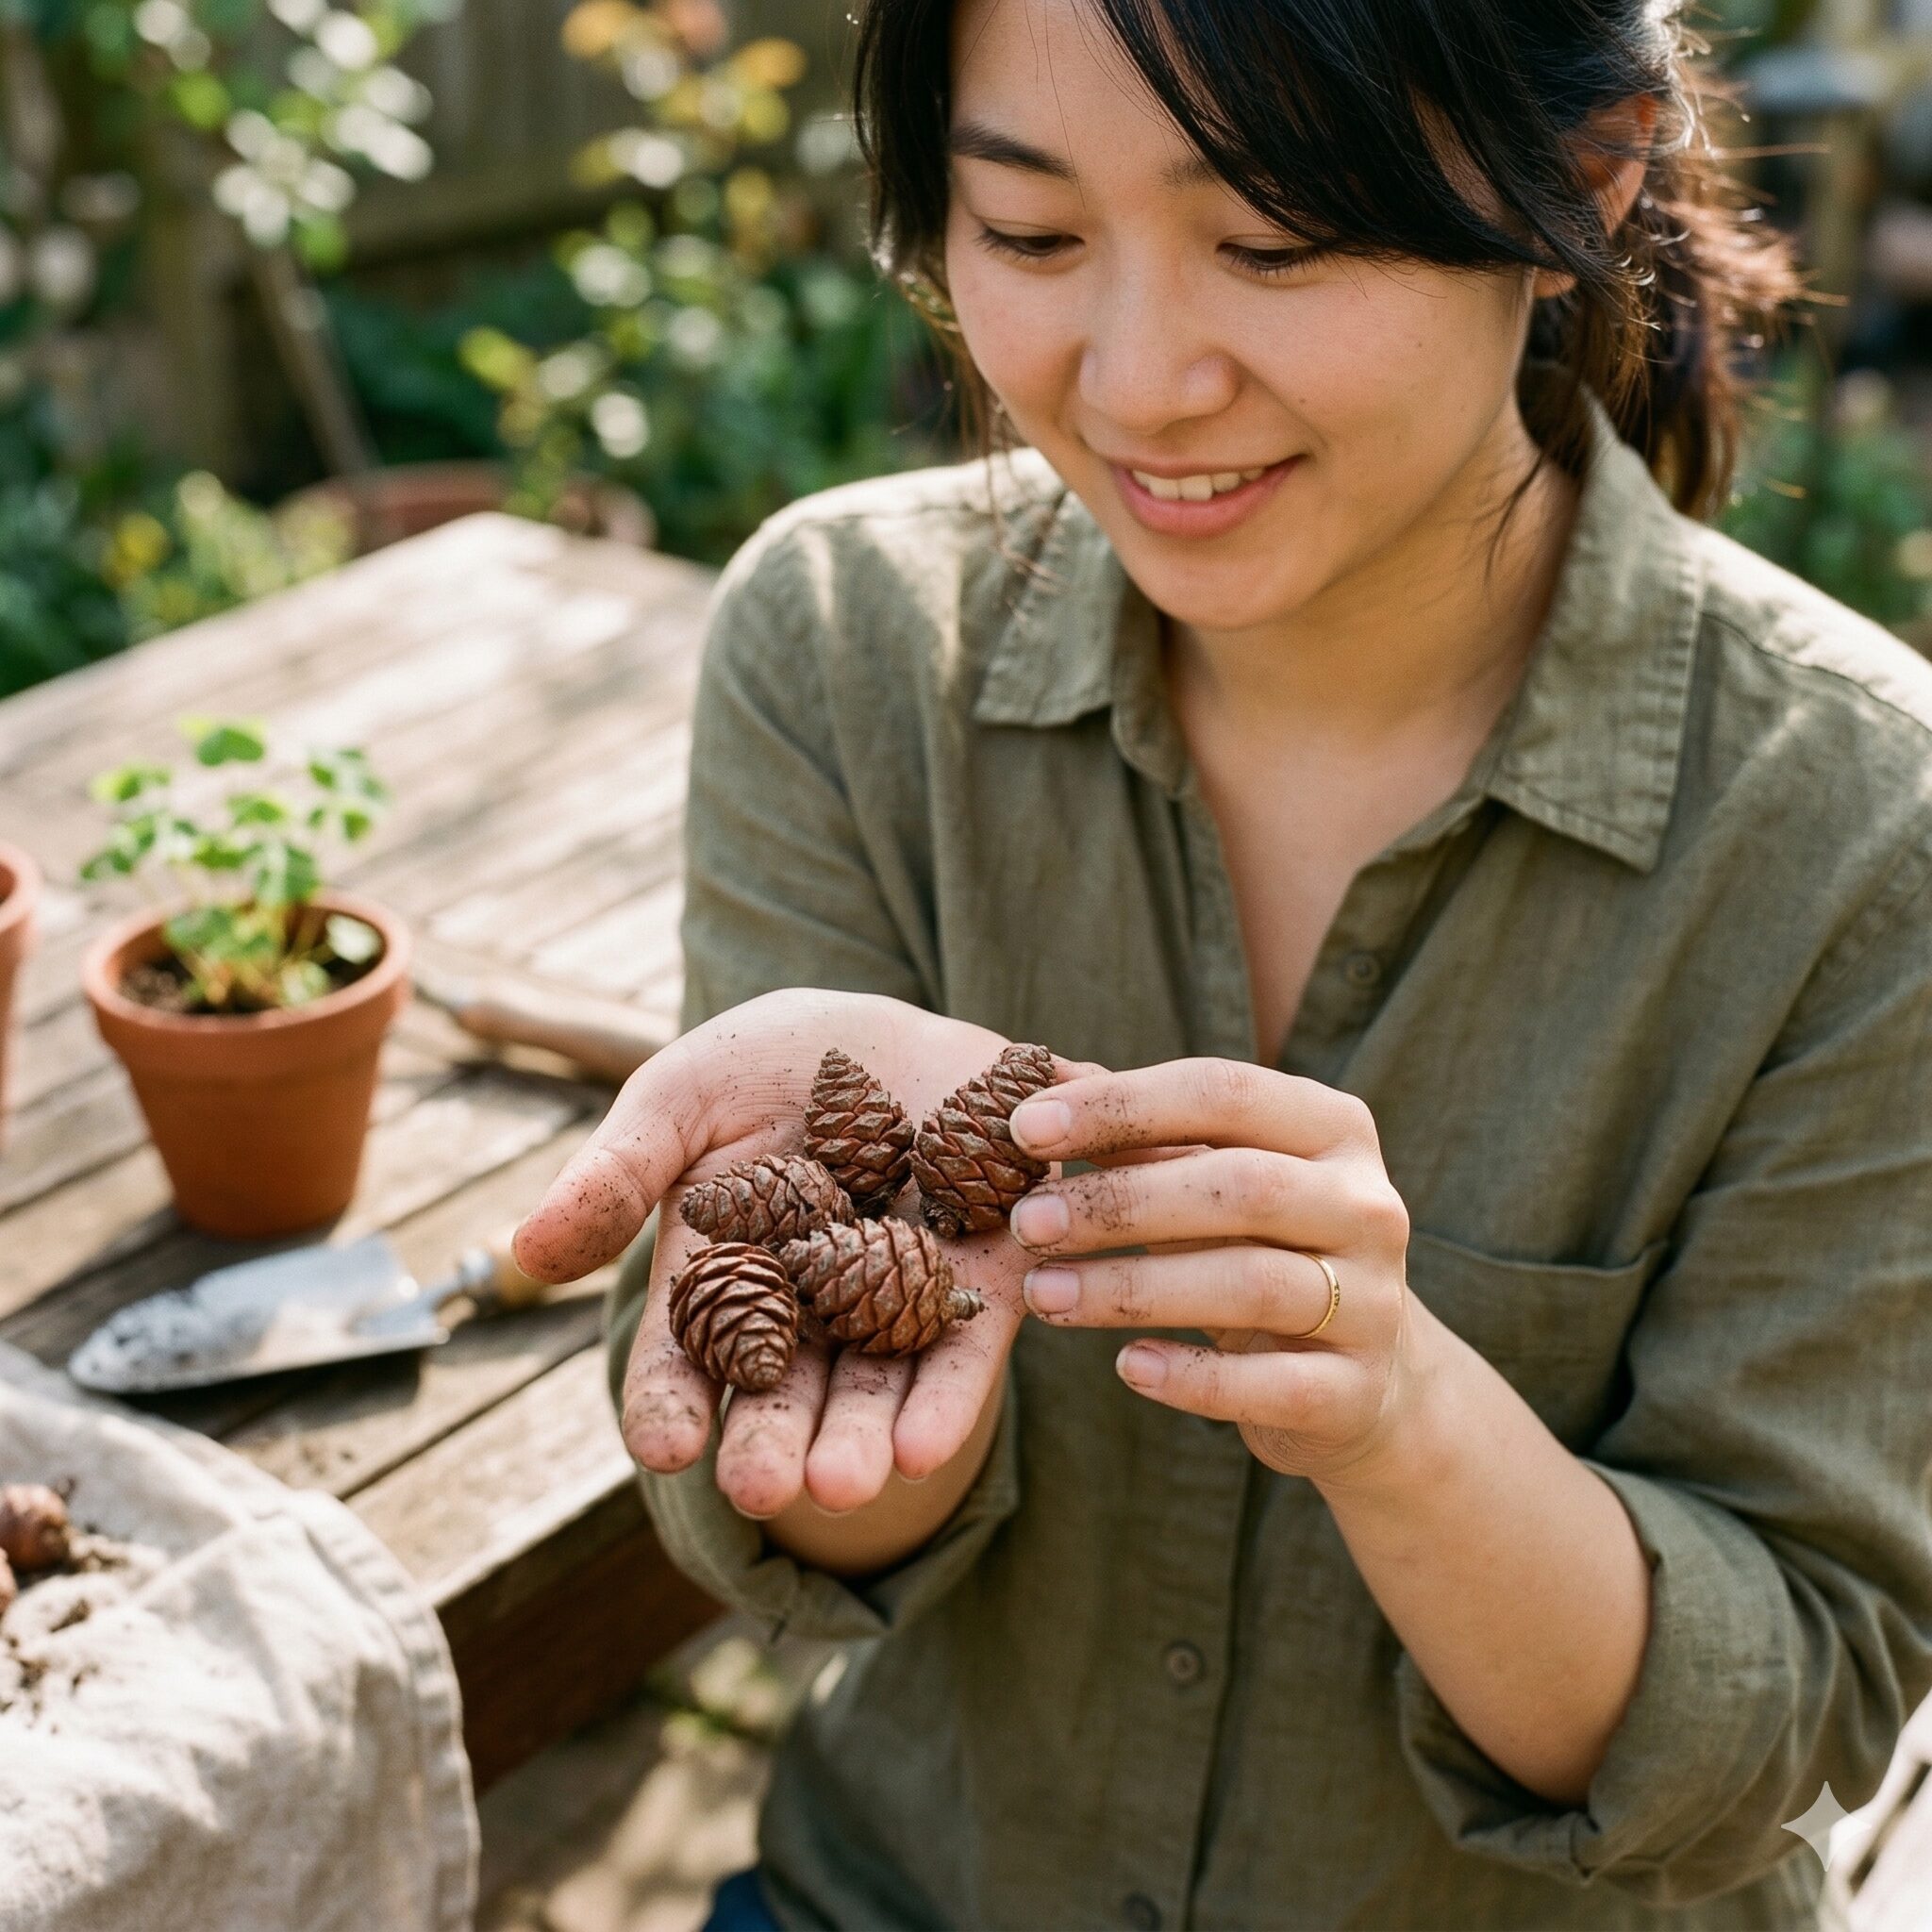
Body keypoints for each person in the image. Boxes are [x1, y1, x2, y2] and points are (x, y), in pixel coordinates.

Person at [512, 1, 1932, 1925]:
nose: (1138, 382)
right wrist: (875, 1306)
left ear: (1583, 185)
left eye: (1271, 241)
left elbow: (1781, 1715)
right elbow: (768, 1491)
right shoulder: (841, 651)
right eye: (1029, 233)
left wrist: (1395, 1411)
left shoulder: (1863, 833)